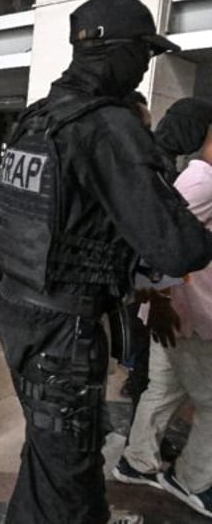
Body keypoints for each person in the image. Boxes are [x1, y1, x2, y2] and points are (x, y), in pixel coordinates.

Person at [0, 0, 212, 524]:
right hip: (64, 333)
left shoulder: (37, 120)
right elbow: (181, 247)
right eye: (143, 54)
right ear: (116, 52)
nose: (146, 66)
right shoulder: (109, 127)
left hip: (16, 313)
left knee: (52, 454)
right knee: (70, 479)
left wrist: (53, 248)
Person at [112, 102, 212, 520]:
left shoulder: (190, 176)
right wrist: (155, 303)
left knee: (163, 387)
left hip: (179, 311)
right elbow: (151, 246)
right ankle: (193, 480)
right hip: (184, 314)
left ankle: (137, 461)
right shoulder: (200, 182)